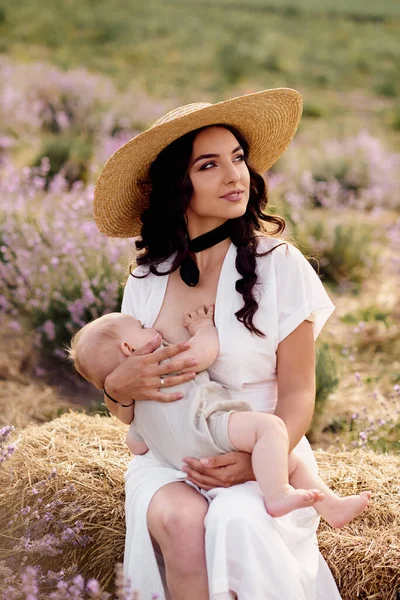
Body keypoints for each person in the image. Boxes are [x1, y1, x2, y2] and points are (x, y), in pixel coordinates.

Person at [93, 89, 347, 599]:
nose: (235, 175)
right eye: (209, 165)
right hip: (171, 453)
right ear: (175, 187)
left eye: (238, 159)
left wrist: (254, 463)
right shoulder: (146, 278)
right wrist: (116, 389)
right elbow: (130, 411)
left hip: (266, 446)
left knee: (237, 520)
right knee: (180, 522)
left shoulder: (279, 264)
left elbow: (298, 394)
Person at [68, 308, 370, 525]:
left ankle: (332, 508)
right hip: (209, 430)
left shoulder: (133, 402)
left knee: (284, 461)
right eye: (142, 326)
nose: (151, 328)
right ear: (128, 347)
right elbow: (201, 354)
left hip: (186, 466)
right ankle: (277, 494)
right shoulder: (159, 360)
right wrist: (204, 328)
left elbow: (137, 445)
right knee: (271, 430)